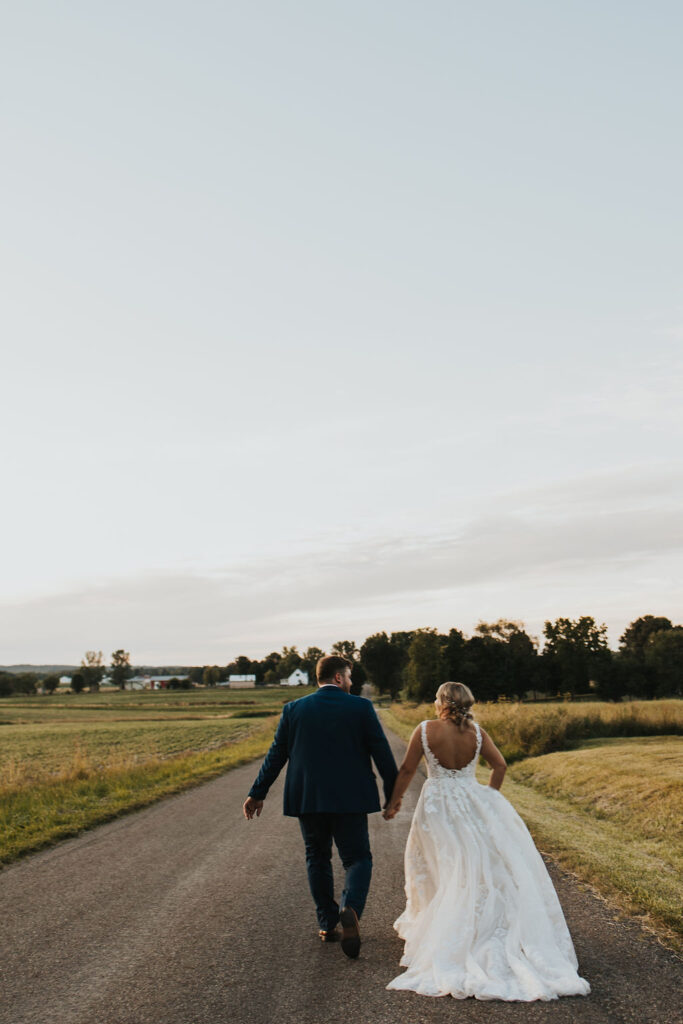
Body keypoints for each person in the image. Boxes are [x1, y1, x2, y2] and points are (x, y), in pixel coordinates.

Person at [383, 681, 590, 1001]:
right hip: (469, 800)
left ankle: (443, 926)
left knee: (444, 862)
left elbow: (408, 769)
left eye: (437, 699)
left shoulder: (425, 730)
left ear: (442, 703)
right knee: (472, 862)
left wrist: (394, 802)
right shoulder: (477, 734)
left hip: (437, 804)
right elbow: (500, 765)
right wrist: (490, 798)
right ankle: (474, 924)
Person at [243, 655, 398, 958]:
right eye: (350, 677)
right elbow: (382, 753)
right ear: (339, 678)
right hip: (350, 799)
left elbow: (277, 755)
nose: (351, 683)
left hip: (308, 798)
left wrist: (257, 792)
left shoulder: (294, 710)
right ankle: (350, 907)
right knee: (357, 858)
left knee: (317, 857)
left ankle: (328, 923)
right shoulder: (361, 708)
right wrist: (392, 794)